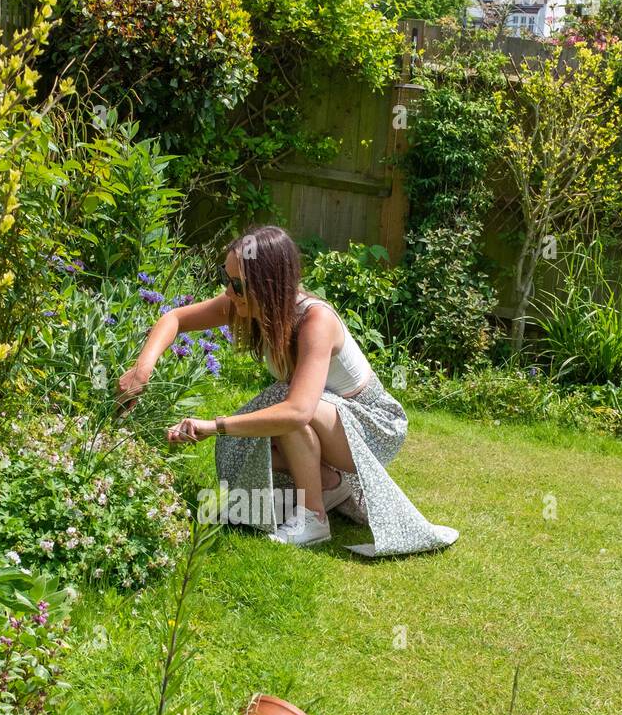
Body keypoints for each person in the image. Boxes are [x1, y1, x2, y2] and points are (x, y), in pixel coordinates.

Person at [116, 224, 458, 555]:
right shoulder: (243, 303)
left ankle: (313, 519)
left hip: (374, 427)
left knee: (284, 408)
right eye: (225, 277)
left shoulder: (315, 321)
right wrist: (141, 371)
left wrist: (214, 426)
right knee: (251, 447)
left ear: (268, 285)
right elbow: (175, 318)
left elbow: (298, 411)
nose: (229, 292)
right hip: (328, 417)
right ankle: (330, 486)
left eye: (237, 284)